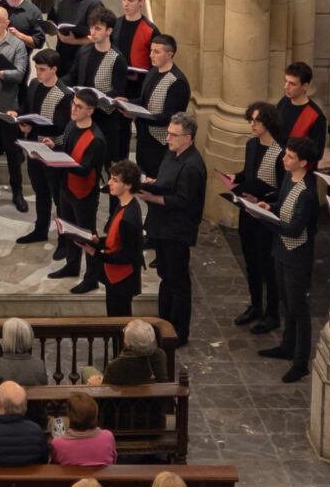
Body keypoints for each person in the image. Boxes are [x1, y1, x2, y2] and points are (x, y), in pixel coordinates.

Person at [136, 111, 207, 344]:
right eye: (168, 133)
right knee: (165, 277)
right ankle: (164, 323)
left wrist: (152, 198)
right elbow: (167, 182)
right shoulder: (172, 153)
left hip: (177, 230)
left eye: (173, 135)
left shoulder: (193, 165)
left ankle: (178, 332)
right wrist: (153, 184)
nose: (168, 139)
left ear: (188, 138)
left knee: (178, 282)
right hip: (162, 226)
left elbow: (183, 201)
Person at [257, 135, 322, 382]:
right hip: (280, 250)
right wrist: (268, 207)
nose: (284, 159)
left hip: (297, 254)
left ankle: (300, 361)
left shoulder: (307, 192)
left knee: (299, 307)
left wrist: (265, 220)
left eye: (290, 157)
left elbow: (295, 229)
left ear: (304, 163)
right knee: (285, 300)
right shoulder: (288, 177)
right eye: (285, 154)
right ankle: (287, 345)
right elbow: (282, 204)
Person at [231, 101, 286, 333]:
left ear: (268, 123)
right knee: (251, 262)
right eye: (251, 119)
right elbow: (249, 173)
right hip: (247, 213)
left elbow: (283, 189)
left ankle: (272, 313)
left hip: (265, 214)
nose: (252, 124)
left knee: (267, 266)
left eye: (257, 120)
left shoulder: (281, 152)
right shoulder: (251, 144)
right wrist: (235, 177)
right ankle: (255, 306)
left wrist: (261, 200)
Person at [43, 89, 105, 285]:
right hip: (66, 188)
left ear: (90, 111)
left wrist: (59, 161)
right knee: (69, 231)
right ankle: (72, 266)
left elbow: (85, 169)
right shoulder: (71, 125)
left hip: (84, 194)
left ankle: (92, 278)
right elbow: (68, 147)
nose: (74, 109)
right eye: (73, 104)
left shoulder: (96, 139)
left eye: (79, 107)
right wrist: (55, 146)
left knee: (87, 236)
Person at [14, 48, 73, 245]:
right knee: (40, 191)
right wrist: (21, 119)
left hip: (53, 150)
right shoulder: (33, 84)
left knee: (58, 196)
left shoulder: (64, 94)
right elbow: (27, 108)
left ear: (54, 69)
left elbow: (62, 127)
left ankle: (64, 239)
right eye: (36, 69)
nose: (37, 73)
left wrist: (37, 127)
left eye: (42, 69)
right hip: (34, 146)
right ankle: (40, 230)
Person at [0, 6, 30, 211]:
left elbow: (19, 75)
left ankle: (17, 191)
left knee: (12, 152)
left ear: (6, 24)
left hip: (8, 104)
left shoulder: (17, 45)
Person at [81, 159, 146, 315]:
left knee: (118, 319)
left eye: (115, 180)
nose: (109, 183)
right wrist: (99, 241)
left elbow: (126, 256)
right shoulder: (124, 204)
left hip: (122, 280)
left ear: (128, 185)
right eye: (110, 178)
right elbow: (117, 239)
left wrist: (95, 253)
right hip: (117, 276)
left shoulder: (128, 218)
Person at [68, 4, 127, 165]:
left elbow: (119, 90)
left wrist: (99, 96)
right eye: (91, 28)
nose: (92, 32)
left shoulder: (117, 58)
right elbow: (73, 76)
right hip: (84, 115)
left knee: (106, 160)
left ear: (109, 31)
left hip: (105, 117)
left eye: (98, 28)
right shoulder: (84, 51)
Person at [125, 34, 188, 178]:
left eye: (156, 52)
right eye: (151, 51)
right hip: (144, 138)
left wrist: (138, 116)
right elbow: (145, 100)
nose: (151, 55)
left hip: (160, 144)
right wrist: (127, 102)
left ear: (169, 55)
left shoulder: (177, 82)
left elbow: (169, 117)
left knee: (156, 180)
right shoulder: (152, 72)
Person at [48, 393, 117, 487]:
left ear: (69, 416)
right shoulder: (108, 437)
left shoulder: (58, 443)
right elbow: (113, 462)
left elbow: (55, 468)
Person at [48, 0, 100, 77]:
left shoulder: (93, 3)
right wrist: (51, 29)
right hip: (61, 54)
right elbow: (51, 19)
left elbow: (98, 37)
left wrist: (74, 41)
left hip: (82, 58)